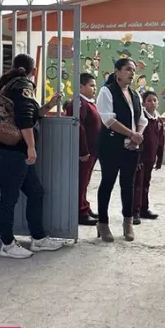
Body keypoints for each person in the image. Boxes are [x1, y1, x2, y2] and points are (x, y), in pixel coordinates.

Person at [0, 54, 65, 259]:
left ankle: (38, 239)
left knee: (35, 192)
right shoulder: (23, 84)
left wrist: (49, 105)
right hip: (12, 153)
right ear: (33, 70)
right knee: (9, 198)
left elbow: (28, 113)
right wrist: (31, 147)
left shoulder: (8, 84)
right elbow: (23, 119)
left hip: (8, 151)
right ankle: (7, 244)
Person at [95, 58, 147, 242]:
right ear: (117, 71)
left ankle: (128, 222)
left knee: (128, 185)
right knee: (107, 183)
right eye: (127, 69)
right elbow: (108, 120)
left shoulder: (135, 95)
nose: (131, 73)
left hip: (131, 148)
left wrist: (137, 135)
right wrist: (131, 134)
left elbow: (142, 119)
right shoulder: (106, 92)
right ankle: (102, 223)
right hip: (110, 146)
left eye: (133, 70)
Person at [64, 72, 101, 226]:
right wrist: (83, 150)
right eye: (91, 85)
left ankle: (84, 206)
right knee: (80, 182)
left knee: (85, 182)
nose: (95, 88)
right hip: (85, 152)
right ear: (80, 87)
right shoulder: (78, 103)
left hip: (93, 150)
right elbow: (78, 127)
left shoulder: (89, 103)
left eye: (94, 85)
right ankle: (80, 212)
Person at [132, 90, 165, 223]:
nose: (152, 103)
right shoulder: (141, 119)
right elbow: (137, 139)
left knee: (146, 184)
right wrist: (137, 157)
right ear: (143, 103)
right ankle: (135, 212)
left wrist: (159, 159)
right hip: (140, 158)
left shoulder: (158, 120)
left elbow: (161, 141)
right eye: (149, 100)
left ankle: (144, 209)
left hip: (151, 159)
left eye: (154, 100)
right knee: (137, 185)